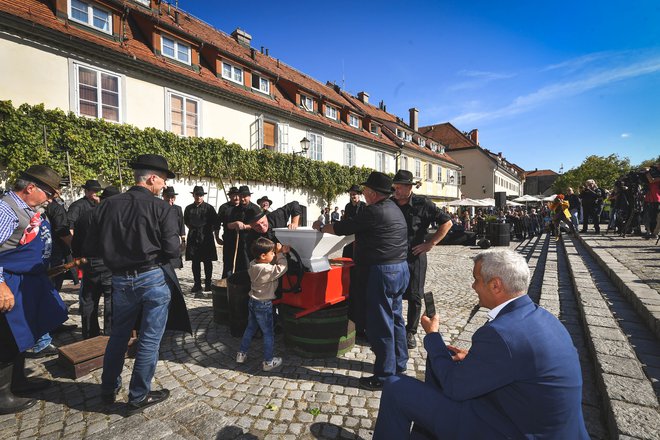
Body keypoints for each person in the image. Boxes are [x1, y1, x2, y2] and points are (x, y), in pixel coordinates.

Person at [373, 249, 589, 439]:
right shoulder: (545, 318)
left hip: (513, 430)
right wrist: (471, 358)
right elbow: (519, 366)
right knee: (444, 361)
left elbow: (454, 386)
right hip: (538, 422)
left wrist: (433, 336)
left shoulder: (500, 334)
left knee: (395, 387)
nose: (473, 285)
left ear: (495, 285)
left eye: (476, 279)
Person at [84, 154, 191, 414]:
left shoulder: (106, 206)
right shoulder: (161, 208)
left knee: (118, 336)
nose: (164, 185)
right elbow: (172, 250)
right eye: (163, 180)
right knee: (149, 340)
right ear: (152, 178)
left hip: (119, 278)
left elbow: (90, 246)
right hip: (152, 276)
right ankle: (138, 396)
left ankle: (108, 389)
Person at [313, 171, 409, 391]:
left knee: (381, 323)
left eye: (366, 190)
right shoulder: (394, 208)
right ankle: (399, 363)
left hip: (383, 271)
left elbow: (342, 228)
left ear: (373, 193)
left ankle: (384, 375)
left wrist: (320, 227)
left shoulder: (374, 211)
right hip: (400, 269)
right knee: (395, 318)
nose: (364, 193)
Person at [0, 165, 68, 414]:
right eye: (49, 193)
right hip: (8, 284)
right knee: (7, 337)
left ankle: (18, 382)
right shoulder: (6, 211)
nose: (50, 199)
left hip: (25, 281)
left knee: (22, 334)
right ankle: (2, 395)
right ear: (30, 188)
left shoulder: (28, 210)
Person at [391, 170, 452, 349]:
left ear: (409, 187)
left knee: (415, 295)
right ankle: (395, 327)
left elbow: (447, 223)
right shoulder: (390, 203)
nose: (396, 190)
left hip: (415, 256)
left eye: (400, 187)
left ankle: (411, 332)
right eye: (395, 187)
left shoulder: (422, 203)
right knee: (393, 293)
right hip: (393, 256)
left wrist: (430, 244)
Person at [71, 186, 120, 339]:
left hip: (89, 262)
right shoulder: (115, 216)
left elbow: (76, 242)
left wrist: (79, 257)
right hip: (109, 263)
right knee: (110, 299)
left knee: (89, 299)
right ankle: (109, 334)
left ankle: (89, 333)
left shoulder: (85, 216)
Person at [236, 237, 289, 371]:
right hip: (264, 305)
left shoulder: (253, 264)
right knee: (268, 333)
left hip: (253, 302)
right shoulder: (266, 270)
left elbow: (269, 263)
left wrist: (276, 254)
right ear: (263, 255)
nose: (274, 255)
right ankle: (268, 362)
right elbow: (282, 268)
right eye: (272, 253)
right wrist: (281, 254)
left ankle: (241, 354)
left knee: (250, 328)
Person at [184, 186, 219, 293]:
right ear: (193, 195)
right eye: (196, 195)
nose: (198, 197)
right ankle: (197, 284)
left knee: (207, 262)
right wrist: (194, 230)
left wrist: (209, 232)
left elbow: (216, 222)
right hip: (193, 237)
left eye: (200, 195)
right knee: (195, 262)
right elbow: (186, 221)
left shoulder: (209, 208)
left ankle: (208, 284)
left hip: (206, 237)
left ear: (203, 196)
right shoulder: (189, 208)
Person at [216, 186, 241, 278]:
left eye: (238, 195)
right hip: (228, 237)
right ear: (230, 196)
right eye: (234, 196)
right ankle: (227, 282)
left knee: (241, 262)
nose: (236, 198)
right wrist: (217, 237)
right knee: (228, 261)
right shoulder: (224, 208)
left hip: (242, 239)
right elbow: (217, 223)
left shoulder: (243, 207)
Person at [162, 187, 186, 269]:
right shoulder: (159, 208)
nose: (169, 199)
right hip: (162, 239)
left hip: (174, 239)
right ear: (163, 196)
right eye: (167, 197)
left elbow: (181, 224)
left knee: (173, 263)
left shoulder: (177, 209)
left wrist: (183, 241)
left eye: (172, 197)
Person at [342, 184, 366, 259]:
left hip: (359, 237)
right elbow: (345, 220)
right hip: (349, 236)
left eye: (354, 194)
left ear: (359, 195)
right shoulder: (347, 206)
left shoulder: (363, 206)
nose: (352, 196)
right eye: (351, 194)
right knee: (347, 258)